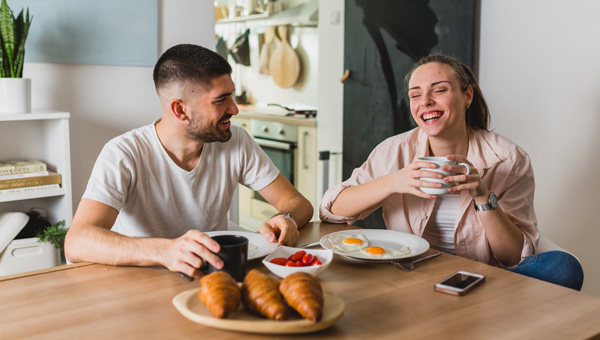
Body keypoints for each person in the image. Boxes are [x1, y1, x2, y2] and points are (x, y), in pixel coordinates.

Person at [320, 55, 583, 290]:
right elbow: (331, 209)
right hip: (413, 275)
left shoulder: (508, 159)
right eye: (415, 95)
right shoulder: (394, 151)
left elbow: (513, 258)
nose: (425, 102)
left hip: (481, 280)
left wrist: (482, 196)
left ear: (467, 96)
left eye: (440, 90)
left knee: (564, 269)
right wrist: (393, 182)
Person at [64, 44, 313, 279]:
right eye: (220, 100)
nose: (234, 109)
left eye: (232, 96)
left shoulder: (237, 141)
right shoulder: (124, 153)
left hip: (215, 275)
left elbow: (297, 203)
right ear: (180, 110)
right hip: (142, 280)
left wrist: (287, 218)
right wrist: (166, 251)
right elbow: (77, 241)